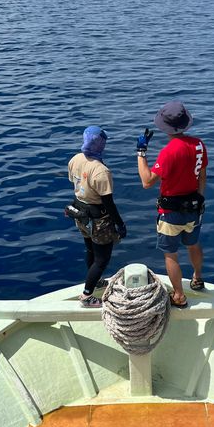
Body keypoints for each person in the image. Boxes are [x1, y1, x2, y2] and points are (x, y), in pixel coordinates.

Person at [136, 100, 207, 308]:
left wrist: (141, 153)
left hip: (171, 212)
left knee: (171, 254)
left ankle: (179, 296)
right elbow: (202, 175)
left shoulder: (168, 152)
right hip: (194, 207)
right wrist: (199, 199)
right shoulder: (199, 145)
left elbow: (147, 181)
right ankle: (197, 278)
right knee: (193, 244)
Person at [68, 125, 126, 307]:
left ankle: (97, 281)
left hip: (80, 213)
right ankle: (87, 296)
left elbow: (75, 183)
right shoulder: (101, 171)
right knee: (102, 260)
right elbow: (108, 202)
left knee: (90, 250)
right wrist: (120, 224)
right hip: (98, 219)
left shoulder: (75, 159)